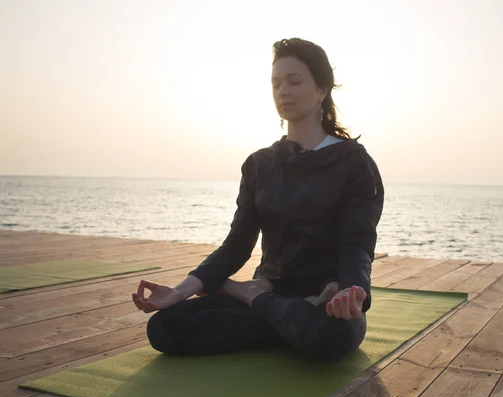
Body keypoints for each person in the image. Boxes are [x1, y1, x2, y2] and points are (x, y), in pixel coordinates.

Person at [132, 38, 385, 362]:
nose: (283, 91)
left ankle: (256, 302)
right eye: (276, 83)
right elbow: (237, 243)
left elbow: (357, 243)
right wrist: (181, 290)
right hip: (271, 288)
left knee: (330, 336)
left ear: (322, 90)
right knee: (165, 327)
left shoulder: (354, 163)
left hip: (327, 296)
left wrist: (351, 292)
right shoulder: (259, 164)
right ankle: (281, 318)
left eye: (294, 81)